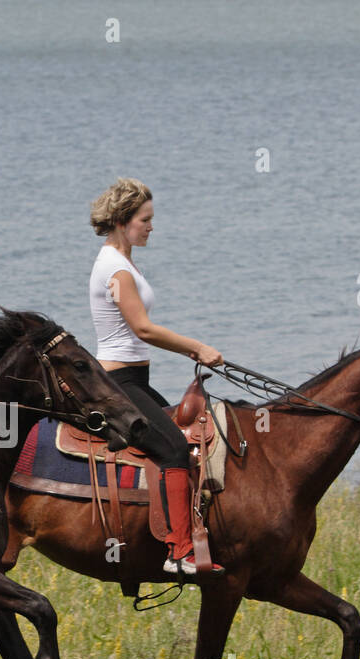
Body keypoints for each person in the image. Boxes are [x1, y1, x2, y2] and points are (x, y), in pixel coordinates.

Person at [88, 177, 225, 576]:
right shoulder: (115, 268)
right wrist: (196, 348)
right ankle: (178, 551)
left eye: (151, 219)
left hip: (135, 377)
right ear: (121, 220)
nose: (151, 226)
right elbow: (143, 329)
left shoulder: (123, 262)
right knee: (174, 451)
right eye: (145, 219)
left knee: (185, 436)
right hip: (120, 383)